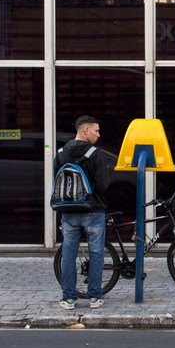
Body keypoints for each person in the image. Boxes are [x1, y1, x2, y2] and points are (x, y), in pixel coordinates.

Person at [55, 115, 112, 309]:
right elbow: (104, 185)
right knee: (96, 254)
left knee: (69, 254)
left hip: (69, 212)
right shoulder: (96, 154)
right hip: (93, 210)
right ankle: (95, 297)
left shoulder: (61, 152)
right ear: (85, 130)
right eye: (96, 130)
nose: (98, 134)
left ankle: (68, 298)